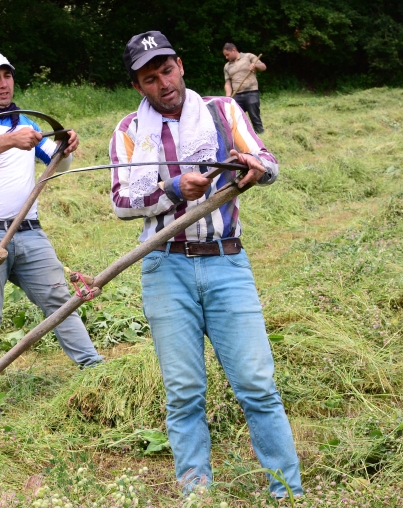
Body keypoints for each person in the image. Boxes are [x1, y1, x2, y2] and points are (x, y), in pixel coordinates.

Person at [110, 31, 302, 497]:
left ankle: (287, 493)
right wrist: (173, 191)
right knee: (183, 392)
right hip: (165, 267)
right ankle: (197, 495)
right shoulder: (129, 131)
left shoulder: (222, 110)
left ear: (180, 65)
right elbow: (121, 201)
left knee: (257, 385)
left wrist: (254, 167)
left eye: (167, 70)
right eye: (149, 78)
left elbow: (268, 160)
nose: (163, 84)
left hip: (226, 261)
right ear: (138, 87)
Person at [0, 52, 103, 410]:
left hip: (30, 231)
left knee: (61, 302)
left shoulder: (26, 124)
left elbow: (59, 163)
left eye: (8, 76)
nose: (3, 84)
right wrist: (10, 139)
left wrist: (67, 146)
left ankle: (96, 373)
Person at [223, 43, 266, 133]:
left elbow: (263, 67)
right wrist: (228, 97)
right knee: (234, 118)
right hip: (236, 95)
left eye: (227, 54)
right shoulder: (227, 66)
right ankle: (241, 138)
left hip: (251, 93)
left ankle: (261, 135)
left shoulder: (248, 56)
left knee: (254, 117)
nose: (226, 57)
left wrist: (255, 66)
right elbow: (228, 83)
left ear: (233, 50)